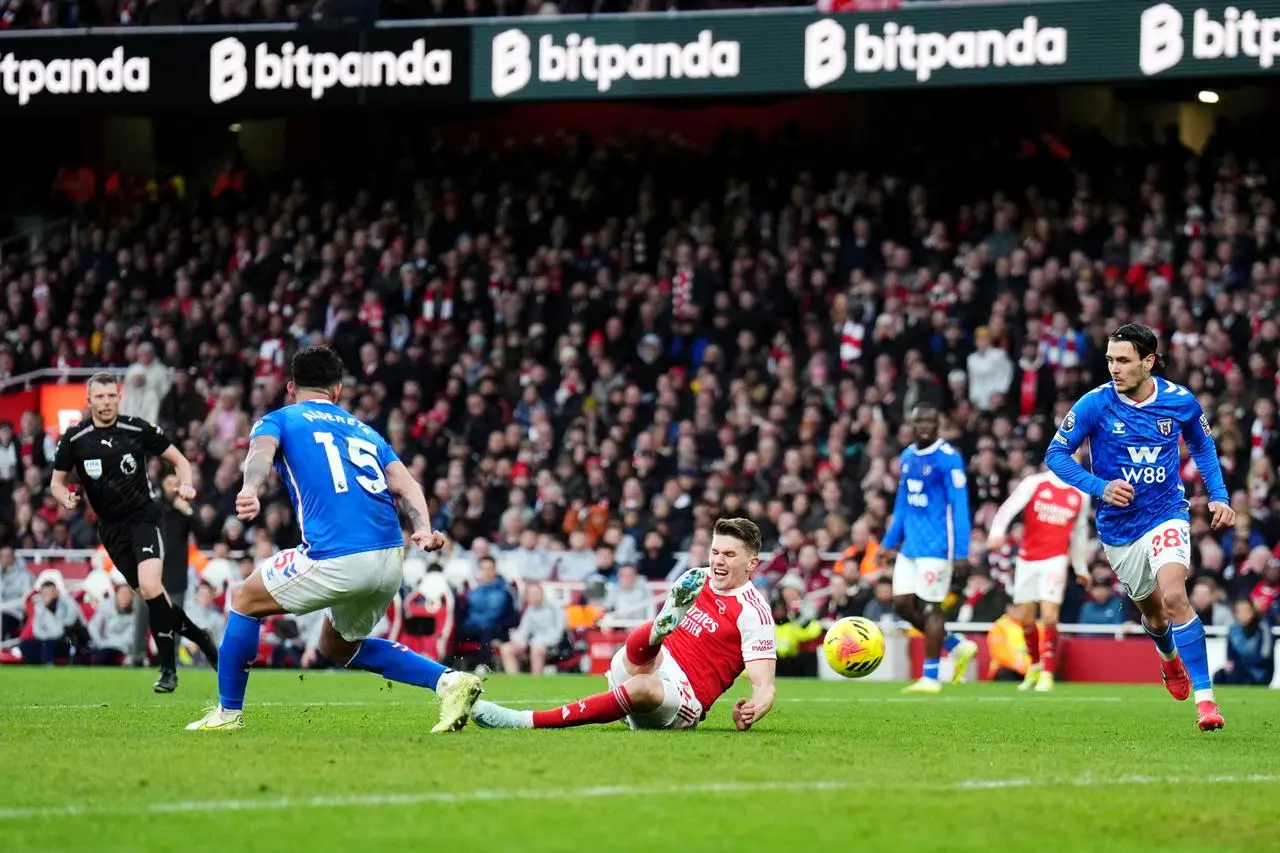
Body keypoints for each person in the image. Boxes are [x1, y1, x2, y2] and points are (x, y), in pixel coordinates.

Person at [186, 346, 482, 733]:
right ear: (337, 391)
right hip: (390, 558)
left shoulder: (279, 419)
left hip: (337, 554)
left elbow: (259, 454)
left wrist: (250, 488)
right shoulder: (365, 431)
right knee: (337, 646)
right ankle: (451, 682)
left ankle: (227, 714)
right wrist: (423, 528)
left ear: (291, 386)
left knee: (244, 599)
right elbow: (405, 484)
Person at [1045, 323, 1235, 731]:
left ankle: (1206, 702)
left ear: (1148, 361)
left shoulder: (1179, 400)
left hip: (1166, 513)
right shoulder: (1095, 404)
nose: (1114, 368)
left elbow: (1202, 444)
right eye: (1111, 360)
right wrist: (1100, 486)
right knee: (1153, 614)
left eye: (1124, 360)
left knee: (1174, 595)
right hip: (1119, 530)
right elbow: (1056, 454)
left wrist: (1218, 494)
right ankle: (1168, 659)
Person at [471, 517, 777, 732]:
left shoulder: (753, 612)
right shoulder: (695, 579)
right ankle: (656, 634)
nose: (718, 561)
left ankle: (527, 719)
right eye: (715, 552)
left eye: (729, 554)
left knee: (645, 683)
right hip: (647, 665)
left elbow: (764, 686)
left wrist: (753, 710)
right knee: (649, 648)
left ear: (752, 563)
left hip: (685, 697)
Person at [49, 372, 219, 692]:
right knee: (156, 600)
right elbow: (56, 482)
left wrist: (186, 484)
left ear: (119, 397)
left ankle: (168, 669)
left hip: (144, 519)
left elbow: (179, 459)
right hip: (111, 531)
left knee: (152, 587)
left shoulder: (135, 428)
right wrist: (65, 497)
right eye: (99, 397)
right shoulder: (74, 439)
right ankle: (200, 639)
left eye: (111, 396)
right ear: (89, 401)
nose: (106, 403)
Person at [879, 405, 980, 693]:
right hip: (910, 546)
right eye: (919, 420)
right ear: (912, 424)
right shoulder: (908, 456)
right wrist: (889, 543)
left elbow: (960, 508)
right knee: (901, 604)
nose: (924, 425)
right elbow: (902, 504)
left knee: (932, 607)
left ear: (939, 424)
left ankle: (931, 677)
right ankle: (955, 645)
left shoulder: (948, 459)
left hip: (937, 547)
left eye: (930, 420)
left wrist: (961, 551)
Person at [987, 463, 1091, 692]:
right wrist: (996, 531)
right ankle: (1034, 665)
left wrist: (1081, 567)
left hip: (1055, 560)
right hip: (1027, 560)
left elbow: (1080, 533)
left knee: (1050, 616)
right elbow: (1009, 507)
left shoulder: (1081, 493)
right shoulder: (1035, 483)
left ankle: (1047, 673)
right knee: (1026, 619)